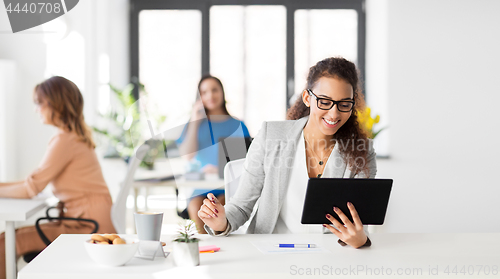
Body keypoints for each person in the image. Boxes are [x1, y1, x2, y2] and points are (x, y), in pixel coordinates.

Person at [198, 57, 376, 248]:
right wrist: (221, 222)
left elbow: (359, 221)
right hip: (273, 252)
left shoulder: (362, 151)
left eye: (344, 104)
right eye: (324, 101)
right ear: (308, 98)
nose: (334, 114)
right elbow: (241, 207)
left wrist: (361, 240)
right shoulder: (270, 136)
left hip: (330, 255)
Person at [0, 76, 116, 278]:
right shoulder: (72, 137)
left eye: (39, 103)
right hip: (87, 219)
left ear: (56, 104)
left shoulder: (64, 140)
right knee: (7, 239)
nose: (36, 109)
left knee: (6, 242)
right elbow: (33, 181)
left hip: (86, 226)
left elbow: (31, 188)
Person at [176, 75, 250, 233]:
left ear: (222, 93)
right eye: (204, 92)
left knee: (220, 209)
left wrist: (219, 170)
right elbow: (187, 156)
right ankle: (205, 249)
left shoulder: (237, 125)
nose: (210, 96)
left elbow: (245, 161)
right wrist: (195, 121)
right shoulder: (194, 124)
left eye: (214, 90)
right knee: (197, 206)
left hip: (227, 186)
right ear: (199, 97)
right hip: (200, 188)